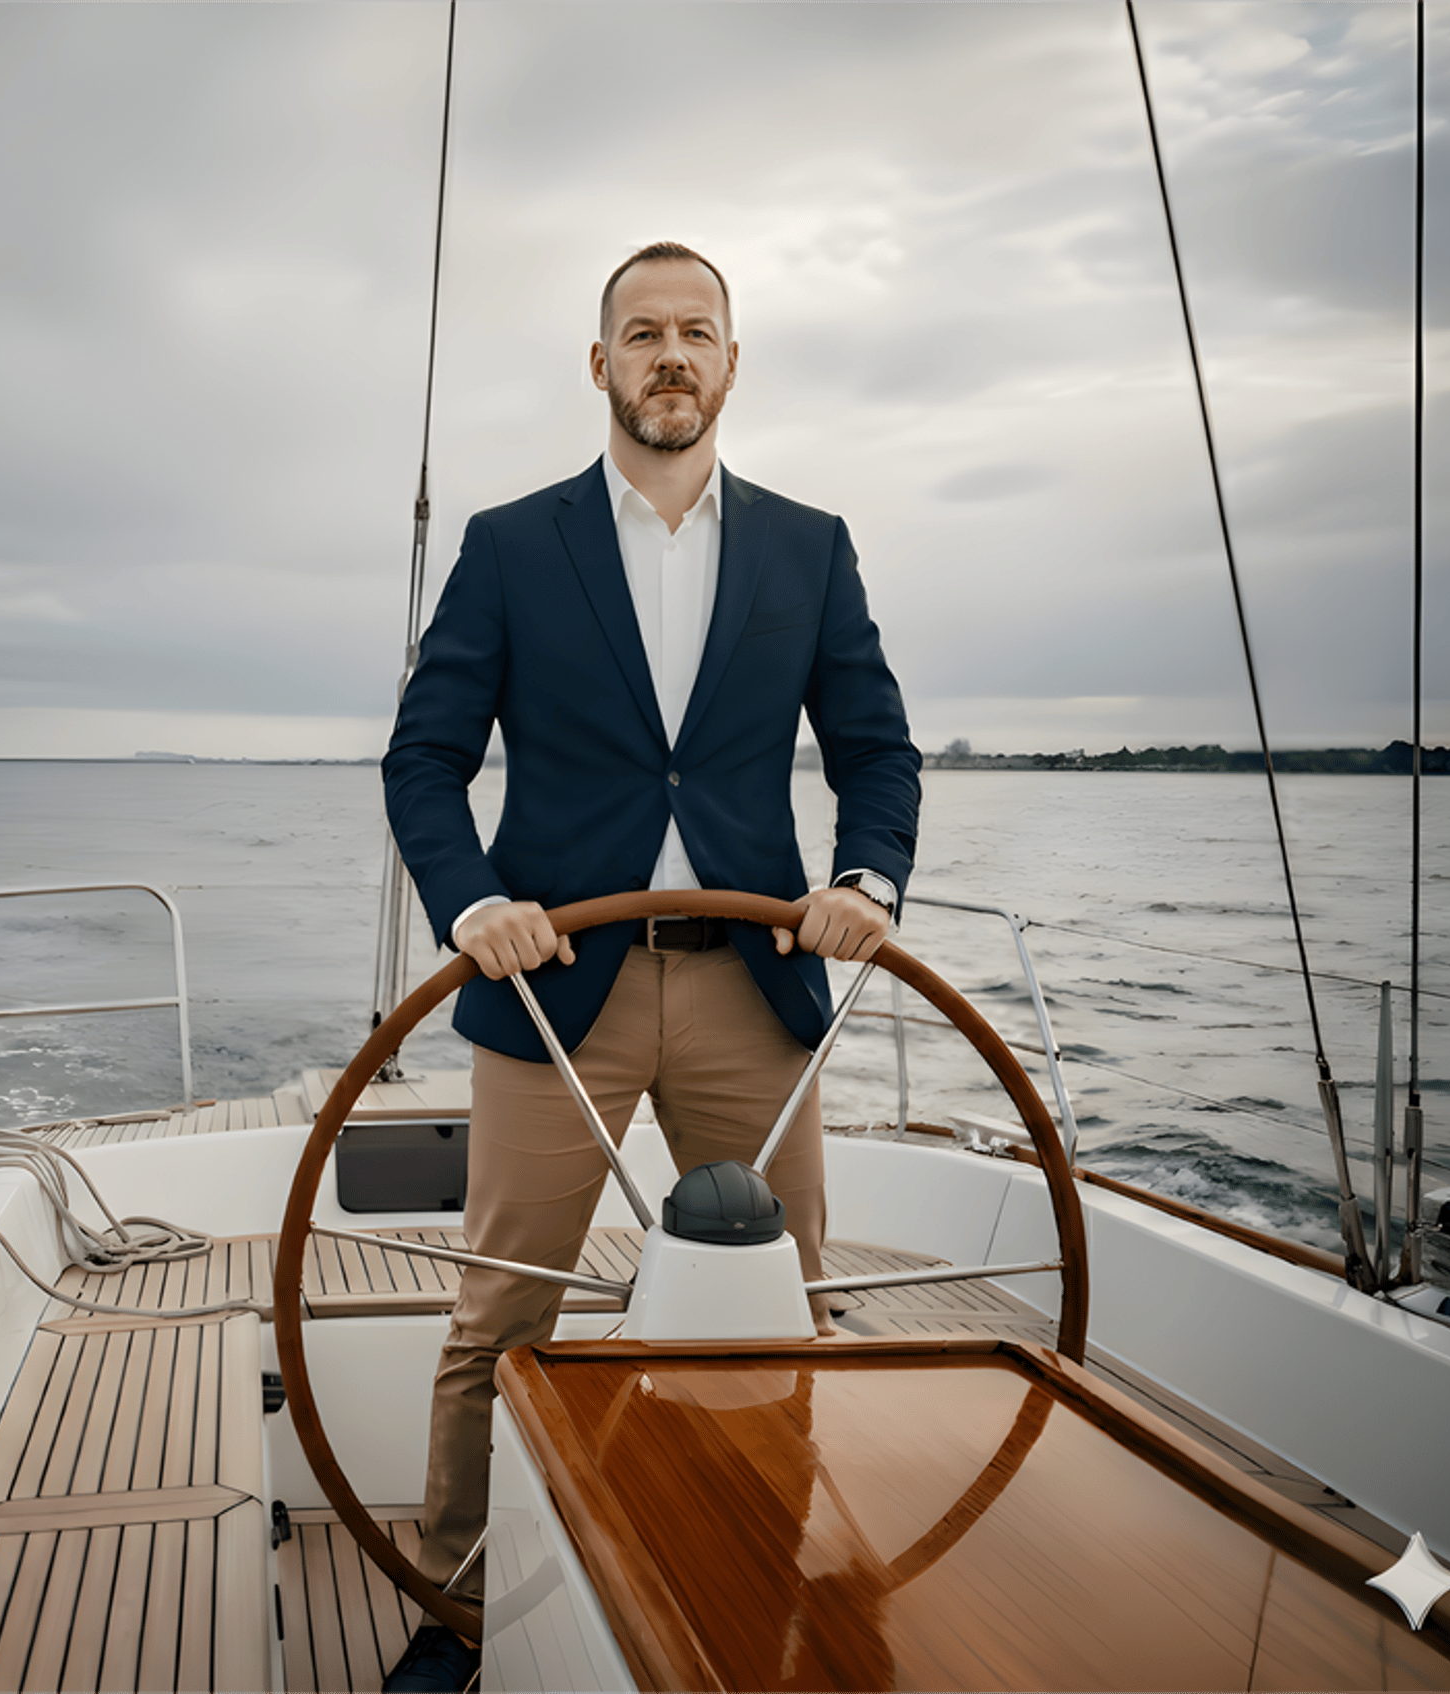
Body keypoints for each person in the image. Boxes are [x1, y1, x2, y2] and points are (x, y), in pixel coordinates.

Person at [378, 241, 920, 1691]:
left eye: (696, 333)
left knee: (782, 1300)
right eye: (642, 332)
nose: (669, 355)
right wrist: (470, 901)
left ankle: (748, 1572)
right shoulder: (508, 543)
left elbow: (877, 750)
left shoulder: (811, 546)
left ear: (732, 364)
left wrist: (862, 880)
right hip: (556, 989)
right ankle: (460, 1611)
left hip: (757, 987)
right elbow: (426, 761)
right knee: (500, 1310)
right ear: (599, 361)